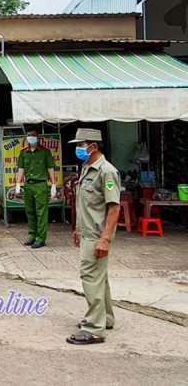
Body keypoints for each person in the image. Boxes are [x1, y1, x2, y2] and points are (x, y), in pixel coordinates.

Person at [67, 128, 120, 345]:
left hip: (98, 235)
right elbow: (87, 205)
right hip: (88, 232)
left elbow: (114, 207)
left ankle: (94, 329)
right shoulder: (87, 168)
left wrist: (105, 238)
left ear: (93, 146)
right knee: (100, 277)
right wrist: (79, 229)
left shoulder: (107, 171)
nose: (78, 149)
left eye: (81, 145)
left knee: (90, 277)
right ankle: (105, 318)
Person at [15, 127, 57, 248]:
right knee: (30, 212)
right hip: (28, 185)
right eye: (28, 135)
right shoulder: (23, 152)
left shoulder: (45, 152)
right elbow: (21, 169)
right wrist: (18, 183)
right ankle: (32, 235)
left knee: (41, 213)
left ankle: (40, 238)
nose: (30, 137)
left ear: (38, 137)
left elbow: (50, 168)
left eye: (32, 135)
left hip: (40, 185)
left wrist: (53, 184)